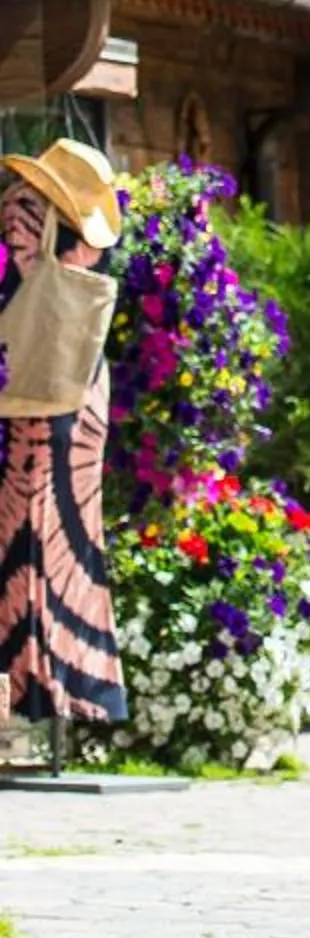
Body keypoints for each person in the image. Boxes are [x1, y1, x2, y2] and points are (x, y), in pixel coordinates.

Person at [0, 139, 129, 733]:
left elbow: (25, 283)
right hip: (70, 382)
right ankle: (60, 686)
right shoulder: (56, 220)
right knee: (61, 537)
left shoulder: (20, 209)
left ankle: (34, 683)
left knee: (32, 537)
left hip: (38, 384)